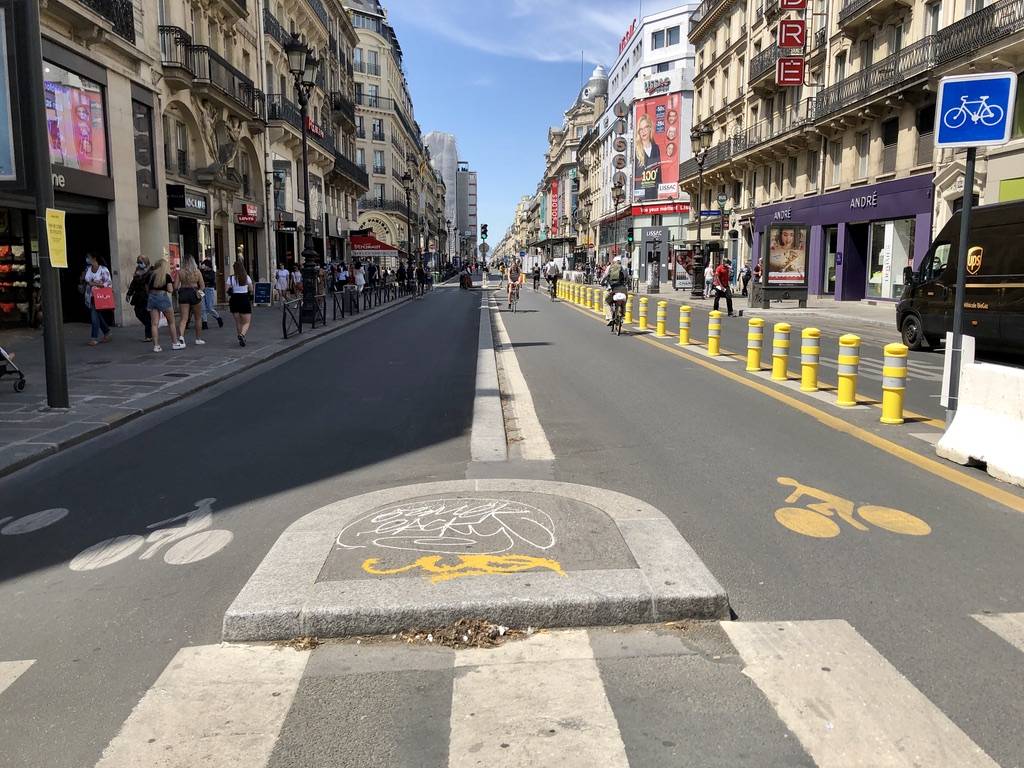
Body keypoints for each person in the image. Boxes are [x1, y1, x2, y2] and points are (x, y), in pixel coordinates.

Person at [147, 258, 182, 352]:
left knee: (154, 324)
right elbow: (170, 290)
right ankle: (175, 343)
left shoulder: (150, 275)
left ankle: (156, 346)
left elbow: (147, 288)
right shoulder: (166, 276)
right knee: (171, 322)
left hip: (152, 298)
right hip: (162, 297)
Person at [83, 253, 112, 346]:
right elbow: (85, 280)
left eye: (88, 257)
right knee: (97, 315)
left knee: (94, 316)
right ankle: (107, 332)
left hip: (99, 296)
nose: (87, 259)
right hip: (90, 295)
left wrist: (96, 284)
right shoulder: (88, 269)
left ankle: (94, 337)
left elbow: (108, 283)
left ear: (94, 258)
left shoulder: (103, 269)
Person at [176, 256, 206, 346]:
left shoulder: (180, 272)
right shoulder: (197, 272)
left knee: (184, 318)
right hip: (194, 293)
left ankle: (181, 337)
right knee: (198, 318)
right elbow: (202, 285)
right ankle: (198, 338)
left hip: (184, 293)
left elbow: (175, 286)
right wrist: (199, 293)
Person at [633, 113, 662, 202]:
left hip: (654, 193)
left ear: (650, 129)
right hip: (640, 195)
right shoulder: (636, 151)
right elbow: (635, 175)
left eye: (646, 128)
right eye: (641, 129)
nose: (643, 131)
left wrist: (661, 191)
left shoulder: (656, 148)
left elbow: (659, 172)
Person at [228, 258, 253, 347]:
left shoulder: (230, 278)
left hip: (234, 299)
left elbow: (227, 289)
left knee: (238, 322)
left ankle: (240, 338)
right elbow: (251, 289)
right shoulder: (246, 277)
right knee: (247, 322)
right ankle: (242, 335)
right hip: (244, 299)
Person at [126, 255, 152, 342]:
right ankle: (150, 327)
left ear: (145, 262)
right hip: (138, 296)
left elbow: (150, 282)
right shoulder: (138, 270)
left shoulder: (151, 271)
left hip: (147, 295)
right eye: (138, 262)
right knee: (138, 312)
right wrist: (129, 294)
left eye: (140, 262)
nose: (139, 264)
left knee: (147, 314)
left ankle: (148, 335)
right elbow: (133, 283)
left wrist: (141, 275)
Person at [602, 256, 629, 325]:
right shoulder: (624, 268)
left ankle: (610, 317)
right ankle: (622, 315)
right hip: (623, 289)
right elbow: (627, 278)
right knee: (624, 301)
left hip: (612, 289)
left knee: (606, 301)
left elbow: (605, 276)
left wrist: (602, 282)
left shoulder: (609, 267)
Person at [200, 258, 223, 330]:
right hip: (201, 290)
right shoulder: (200, 271)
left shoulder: (212, 272)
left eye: (204, 265)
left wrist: (203, 275)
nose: (203, 266)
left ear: (207, 265)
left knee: (209, 307)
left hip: (209, 289)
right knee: (202, 307)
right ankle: (204, 323)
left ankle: (218, 318)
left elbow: (211, 279)